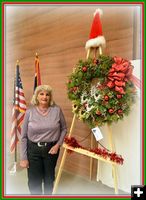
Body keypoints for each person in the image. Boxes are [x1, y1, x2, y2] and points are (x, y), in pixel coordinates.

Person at [20, 85, 67, 195]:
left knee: (49, 179)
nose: (44, 97)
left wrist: (57, 145)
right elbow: (23, 137)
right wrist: (23, 157)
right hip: (33, 150)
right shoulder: (29, 112)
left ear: (50, 97)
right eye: (41, 94)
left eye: (47, 94)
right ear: (36, 96)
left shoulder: (57, 110)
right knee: (34, 181)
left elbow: (64, 129)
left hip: (51, 150)